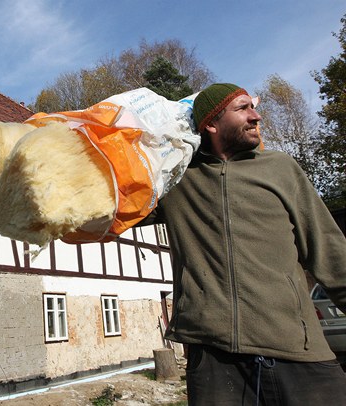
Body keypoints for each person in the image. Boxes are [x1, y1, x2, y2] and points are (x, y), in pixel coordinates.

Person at [138, 83, 346, 405]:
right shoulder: (176, 178)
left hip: (299, 353)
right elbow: (111, 209)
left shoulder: (280, 168)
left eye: (253, 107)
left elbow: (329, 249)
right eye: (243, 108)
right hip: (215, 364)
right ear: (211, 123)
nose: (256, 116)